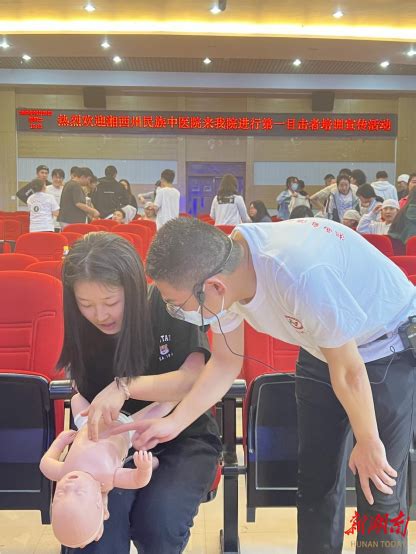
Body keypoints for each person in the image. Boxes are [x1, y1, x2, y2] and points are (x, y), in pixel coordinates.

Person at [123, 216, 416, 554]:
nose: (175, 311)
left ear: (214, 287)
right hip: (320, 346)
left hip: (384, 347)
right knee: (315, 483)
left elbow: (349, 371)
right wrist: (173, 422)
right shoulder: (227, 275)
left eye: (176, 302)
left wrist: (367, 440)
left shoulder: (298, 274)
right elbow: (224, 363)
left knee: (378, 486)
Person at [59, 232, 221, 554]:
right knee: (96, 527)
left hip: (182, 439)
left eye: (111, 302)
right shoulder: (83, 327)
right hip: (109, 445)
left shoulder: (168, 304)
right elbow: (81, 393)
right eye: (86, 304)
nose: (100, 315)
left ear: (132, 289)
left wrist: (124, 386)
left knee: (158, 522)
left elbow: (192, 379)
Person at [40, 393, 169, 549]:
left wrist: (59, 443)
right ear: (97, 501)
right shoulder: (107, 477)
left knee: (76, 398)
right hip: (126, 427)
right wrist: (144, 468)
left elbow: (45, 463)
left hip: (89, 421)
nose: (69, 485)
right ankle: (179, 395)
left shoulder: (63, 472)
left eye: (60, 494)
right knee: (163, 406)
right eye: (79, 492)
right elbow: (137, 480)